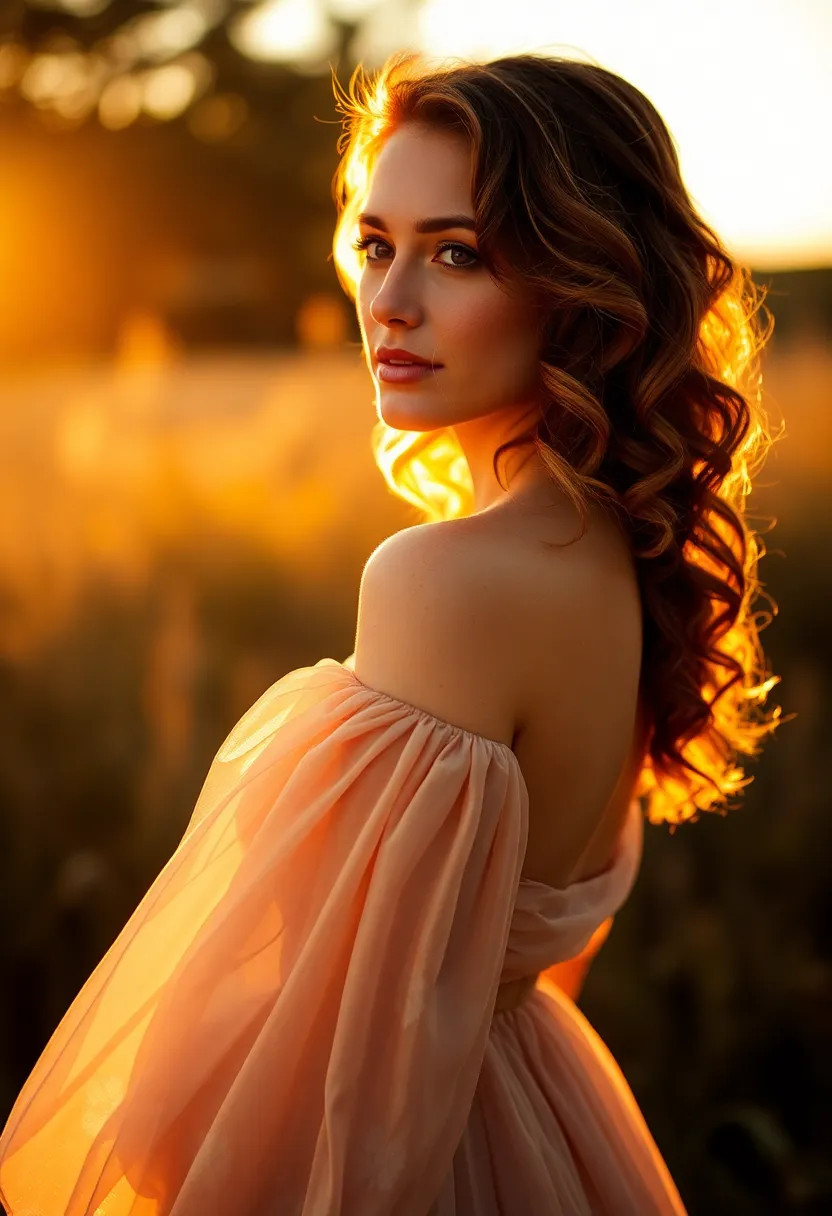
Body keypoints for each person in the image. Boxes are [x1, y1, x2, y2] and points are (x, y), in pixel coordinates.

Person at [0, 49, 783, 1215]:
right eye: (378, 245)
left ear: (580, 282)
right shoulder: (625, 550)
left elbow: (353, 1051)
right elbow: (544, 957)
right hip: (539, 1106)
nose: (390, 302)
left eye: (457, 253)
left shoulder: (442, 578)